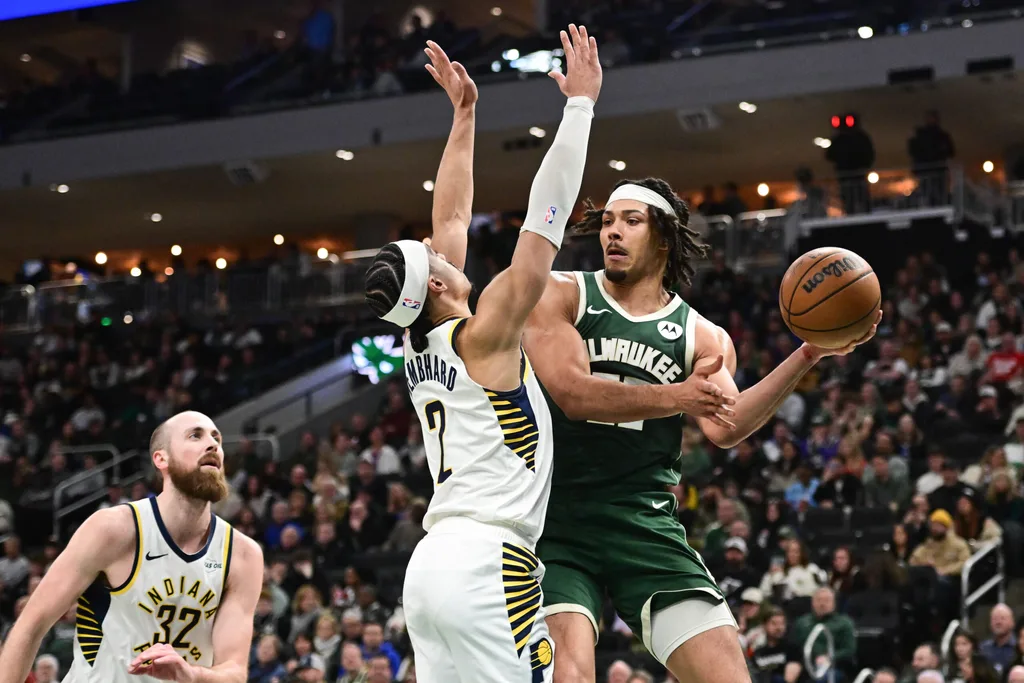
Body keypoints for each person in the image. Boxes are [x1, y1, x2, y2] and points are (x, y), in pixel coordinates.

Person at [523, 152, 879, 683]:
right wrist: (678, 396)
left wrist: (808, 353)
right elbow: (573, 394)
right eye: (608, 222)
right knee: (570, 677)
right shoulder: (562, 292)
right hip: (553, 518)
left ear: (663, 238)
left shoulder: (704, 336)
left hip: (643, 520)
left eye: (631, 221)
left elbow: (726, 425)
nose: (612, 233)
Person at [362, 29, 602, 683]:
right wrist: (579, 106)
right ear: (437, 284)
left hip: (431, 564)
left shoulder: (420, 339)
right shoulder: (486, 333)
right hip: (488, 558)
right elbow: (543, 224)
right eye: (438, 259)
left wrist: (465, 116)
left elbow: (452, 217)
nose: (445, 247)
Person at [0, 410, 263, 683]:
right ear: (162, 459)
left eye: (216, 438)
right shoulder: (114, 529)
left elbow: (233, 671)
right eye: (195, 435)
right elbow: (30, 626)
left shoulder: (243, 555)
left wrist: (191, 674)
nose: (213, 444)